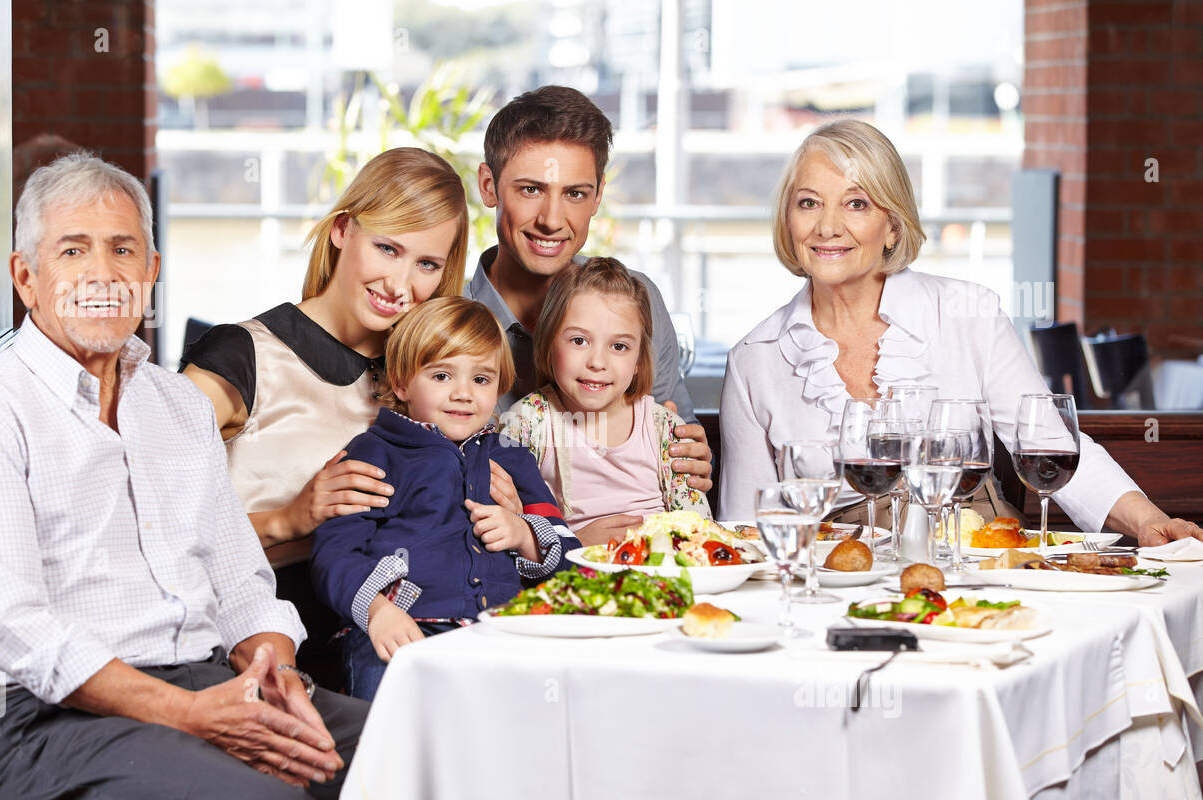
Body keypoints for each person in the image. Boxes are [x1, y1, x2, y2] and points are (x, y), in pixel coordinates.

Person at [0, 152, 369, 800]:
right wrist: (193, 716)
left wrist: (272, 675)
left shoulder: (179, 405)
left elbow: (241, 583)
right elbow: (16, 629)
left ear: (150, 270)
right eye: (74, 250)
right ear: (26, 277)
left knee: (408, 761)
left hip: (214, 681)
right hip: (53, 724)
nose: (104, 273)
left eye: (123, 249)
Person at [718, 119, 1203, 545]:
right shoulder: (754, 359)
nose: (827, 226)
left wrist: (1147, 522)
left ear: (892, 225)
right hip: (834, 578)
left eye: (856, 204)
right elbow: (744, 524)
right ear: (788, 219)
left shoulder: (967, 312)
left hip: (977, 558)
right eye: (808, 203)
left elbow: (1053, 448)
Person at [181, 148, 471, 685]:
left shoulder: (426, 382)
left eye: (426, 264)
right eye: (387, 248)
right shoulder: (239, 356)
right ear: (342, 230)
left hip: (390, 647)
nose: (399, 285)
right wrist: (287, 520)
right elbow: (149, 528)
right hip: (254, 653)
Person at [465, 85, 714, 544]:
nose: (552, 219)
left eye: (575, 193)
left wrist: (691, 452)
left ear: (598, 195)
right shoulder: (448, 325)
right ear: (488, 186)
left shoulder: (638, 300)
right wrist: (572, 542)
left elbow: (676, 433)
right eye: (531, 189)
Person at [311, 298, 579, 700]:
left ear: (500, 388)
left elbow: (572, 557)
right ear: (401, 383)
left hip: (500, 631)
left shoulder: (511, 456)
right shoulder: (374, 453)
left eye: (482, 380)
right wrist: (376, 610)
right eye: (441, 376)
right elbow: (334, 552)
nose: (463, 394)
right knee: (385, 697)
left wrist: (524, 534)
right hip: (401, 626)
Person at [501, 257, 710, 534]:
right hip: (570, 572)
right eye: (579, 341)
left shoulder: (664, 428)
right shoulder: (527, 422)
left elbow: (700, 531)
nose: (597, 362)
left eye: (619, 346)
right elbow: (512, 531)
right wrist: (575, 543)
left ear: (638, 361)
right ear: (550, 344)